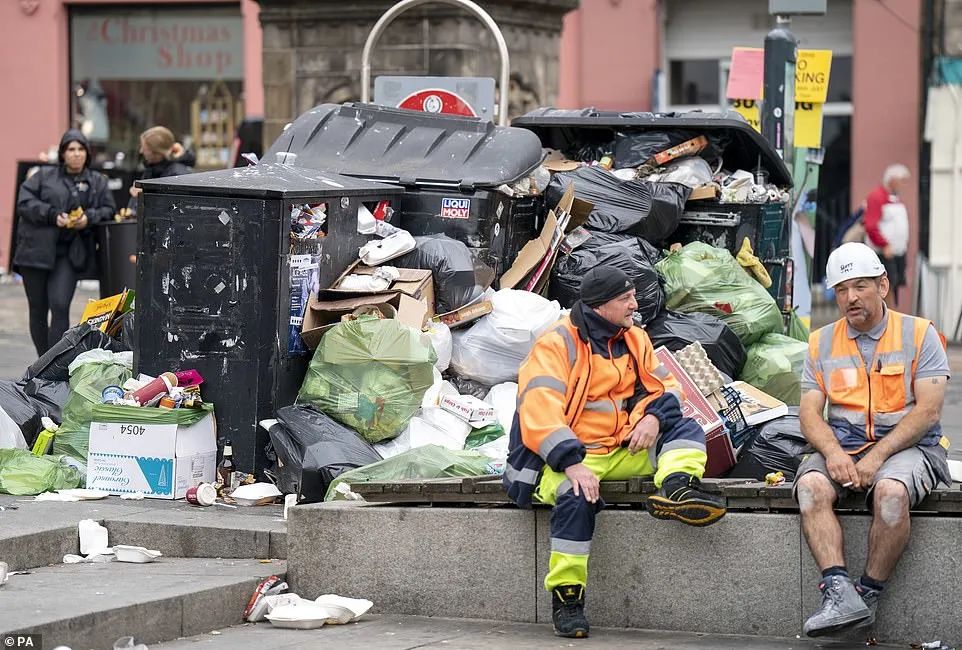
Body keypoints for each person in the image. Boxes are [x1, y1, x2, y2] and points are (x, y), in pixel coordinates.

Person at [502, 265, 726, 639]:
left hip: (619, 447)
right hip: (560, 459)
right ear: (600, 306)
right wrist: (572, 465)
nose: (635, 305)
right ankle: (568, 599)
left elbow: (669, 389)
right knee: (576, 499)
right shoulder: (555, 344)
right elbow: (539, 411)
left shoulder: (635, 338)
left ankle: (678, 487)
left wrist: (653, 418)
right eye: (626, 299)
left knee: (684, 427)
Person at [795, 242, 950, 637]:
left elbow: (928, 411)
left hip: (908, 448)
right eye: (842, 290)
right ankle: (838, 591)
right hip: (844, 445)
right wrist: (832, 453)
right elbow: (810, 413)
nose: (850, 298)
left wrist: (876, 458)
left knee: (892, 495)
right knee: (811, 487)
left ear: (882, 285)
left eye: (860, 286)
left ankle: (866, 595)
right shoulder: (821, 341)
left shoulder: (919, 333)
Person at [15, 129, 116, 356]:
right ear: (62, 153)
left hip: (69, 254)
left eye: (81, 149)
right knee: (38, 310)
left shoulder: (97, 181)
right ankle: (43, 361)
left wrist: (88, 217)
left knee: (60, 306)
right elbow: (24, 202)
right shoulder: (43, 176)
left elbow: (109, 209)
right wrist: (52, 214)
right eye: (71, 149)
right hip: (36, 252)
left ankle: (52, 364)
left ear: (87, 154)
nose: (76, 154)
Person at [862, 164, 910, 308]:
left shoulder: (894, 198)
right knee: (886, 285)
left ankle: (892, 313)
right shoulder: (877, 197)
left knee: (894, 285)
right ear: (892, 180)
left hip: (896, 252)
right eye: (901, 181)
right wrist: (884, 244)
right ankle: (887, 315)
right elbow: (871, 226)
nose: (903, 185)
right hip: (883, 252)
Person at [126, 126, 194, 216]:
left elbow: (173, 211)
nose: (141, 151)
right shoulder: (152, 169)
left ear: (157, 153)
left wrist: (143, 196)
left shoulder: (177, 175)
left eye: (144, 148)